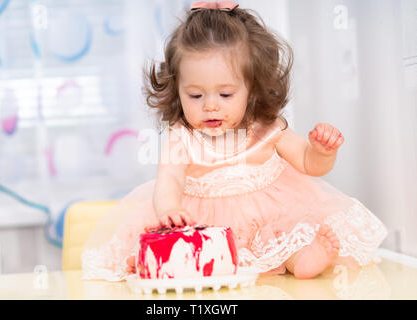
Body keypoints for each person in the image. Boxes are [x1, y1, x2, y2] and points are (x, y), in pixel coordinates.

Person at [81, 1, 387, 281]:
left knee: (290, 233)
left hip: (269, 220)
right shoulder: (180, 135)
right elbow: (169, 181)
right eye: (195, 95)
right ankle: (177, 264)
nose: (210, 105)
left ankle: (301, 258)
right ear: (177, 90)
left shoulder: (267, 128)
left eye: (225, 94)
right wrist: (169, 211)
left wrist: (322, 151)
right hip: (206, 226)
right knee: (185, 254)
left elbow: (308, 162)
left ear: (252, 90)